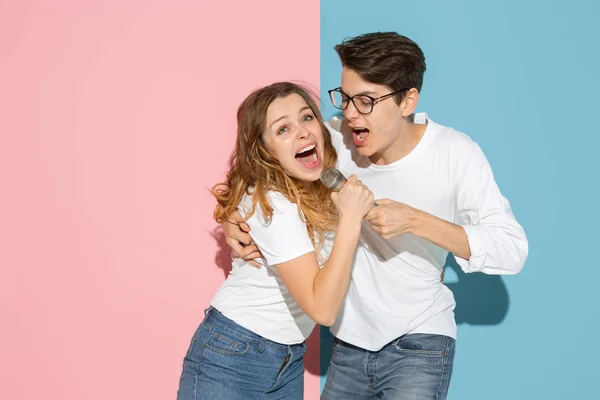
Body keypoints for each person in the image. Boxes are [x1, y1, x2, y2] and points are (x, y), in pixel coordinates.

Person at [222, 32, 529, 400]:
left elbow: (511, 249)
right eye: (346, 98)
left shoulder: (454, 153)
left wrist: (416, 221)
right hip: (349, 345)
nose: (349, 114)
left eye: (365, 101)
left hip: (420, 343)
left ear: (407, 101)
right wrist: (233, 218)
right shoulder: (334, 140)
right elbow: (261, 163)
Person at [176, 82, 374, 400]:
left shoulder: (319, 172)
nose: (303, 133)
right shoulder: (272, 203)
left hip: (287, 358)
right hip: (232, 356)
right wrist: (351, 220)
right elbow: (323, 310)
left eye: (307, 118)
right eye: (283, 129)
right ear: (264, 151)